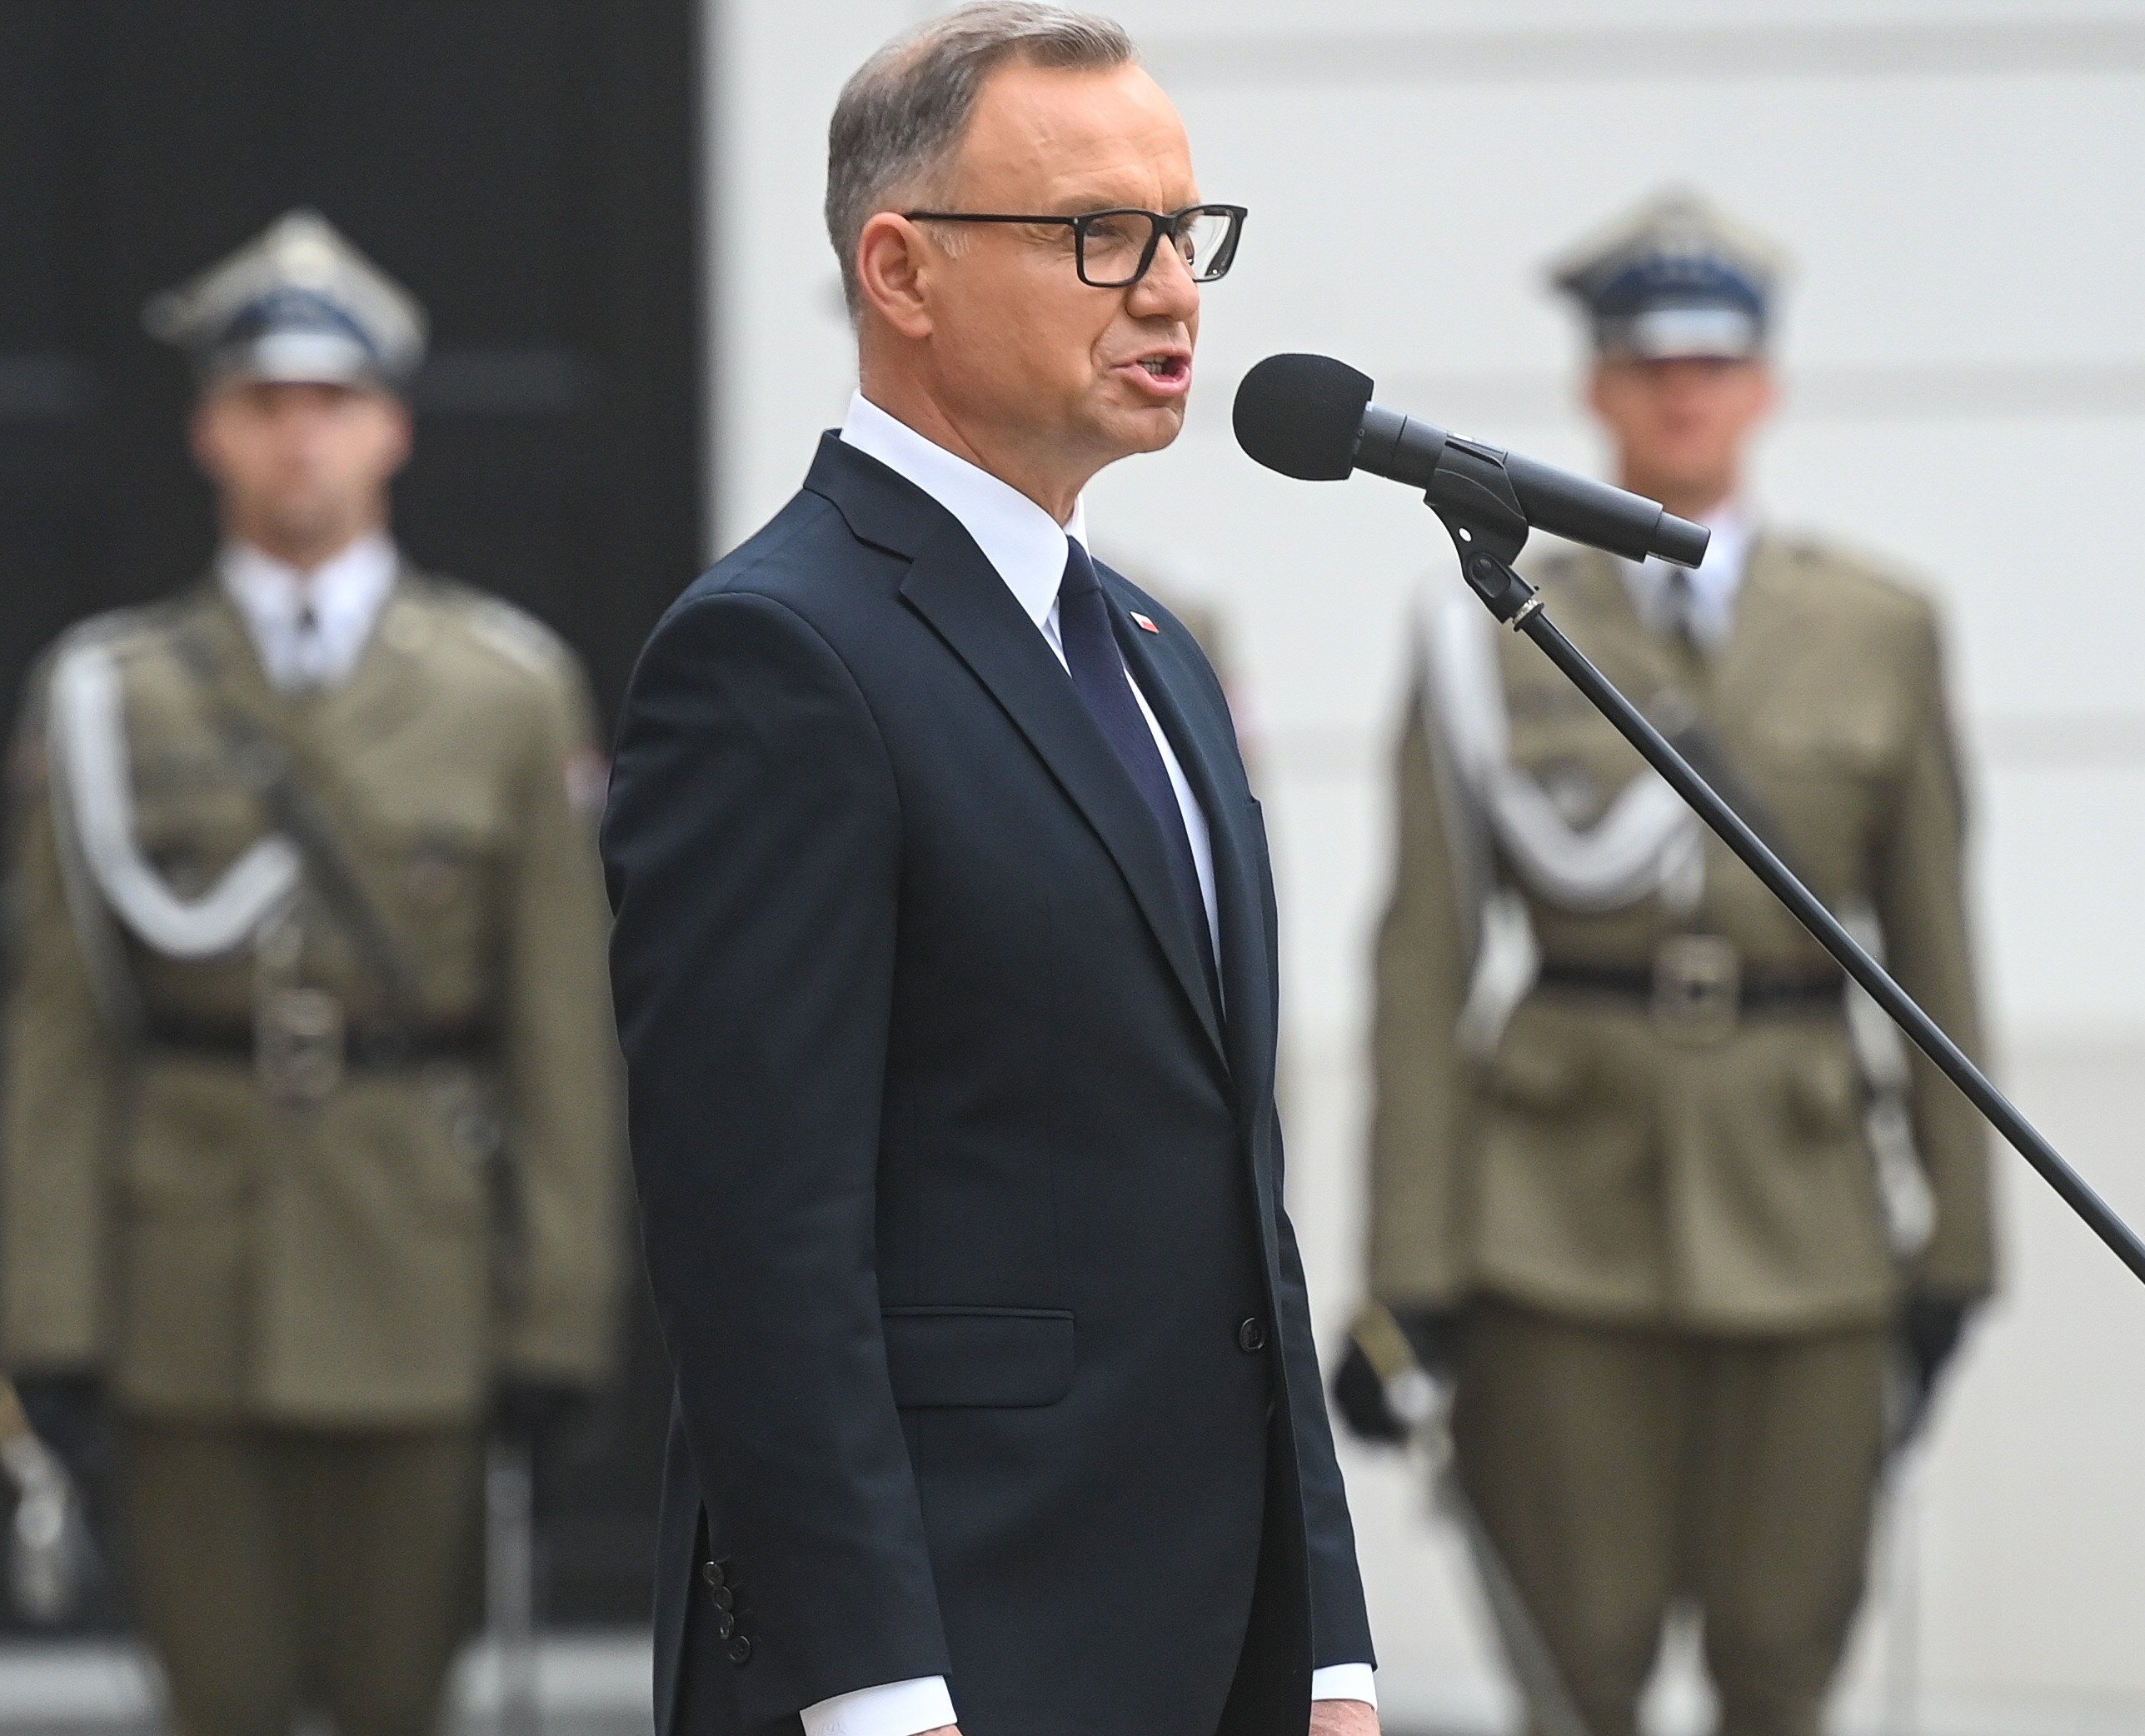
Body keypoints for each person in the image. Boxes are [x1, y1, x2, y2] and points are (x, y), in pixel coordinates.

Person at [598, 9, 1373, 1736]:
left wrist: (1328, 1649)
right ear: (902, 271)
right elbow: (759, 1245)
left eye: (1184, 233)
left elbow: (1237, 1198)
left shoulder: (1155, 653)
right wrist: (877, 1689)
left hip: (1208, 1649)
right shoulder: (776, 655)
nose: (1169, 293)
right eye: (1098, 234)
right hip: (950, 1649)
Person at [1339, 189, 1997, 1736]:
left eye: (1712, 366)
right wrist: (1409, 1276)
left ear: (1763, 385)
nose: (1682, 396)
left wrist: (1960, 1246)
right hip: (1554, 1221)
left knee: (1785, 1666)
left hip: (1811, 1215)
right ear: (1600, 386)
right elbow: (1423, 964)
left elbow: (1936, 952)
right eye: (1650, 367)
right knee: (1580, 1674)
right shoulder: (1485, 623)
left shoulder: (1880, 626)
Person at [0, 208, 624, 1736]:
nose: (300, 437)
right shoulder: (108, 695)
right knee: (213, 1702)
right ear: (208, 429)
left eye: (332, 401)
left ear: (391, 427)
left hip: (420, 1285)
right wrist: (46, 1320)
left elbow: (561, 1029)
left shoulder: (504, 690)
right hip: (182, 1291)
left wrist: (557, 1318)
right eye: (265, 402)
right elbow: (60, 1031)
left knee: (402, 1700)